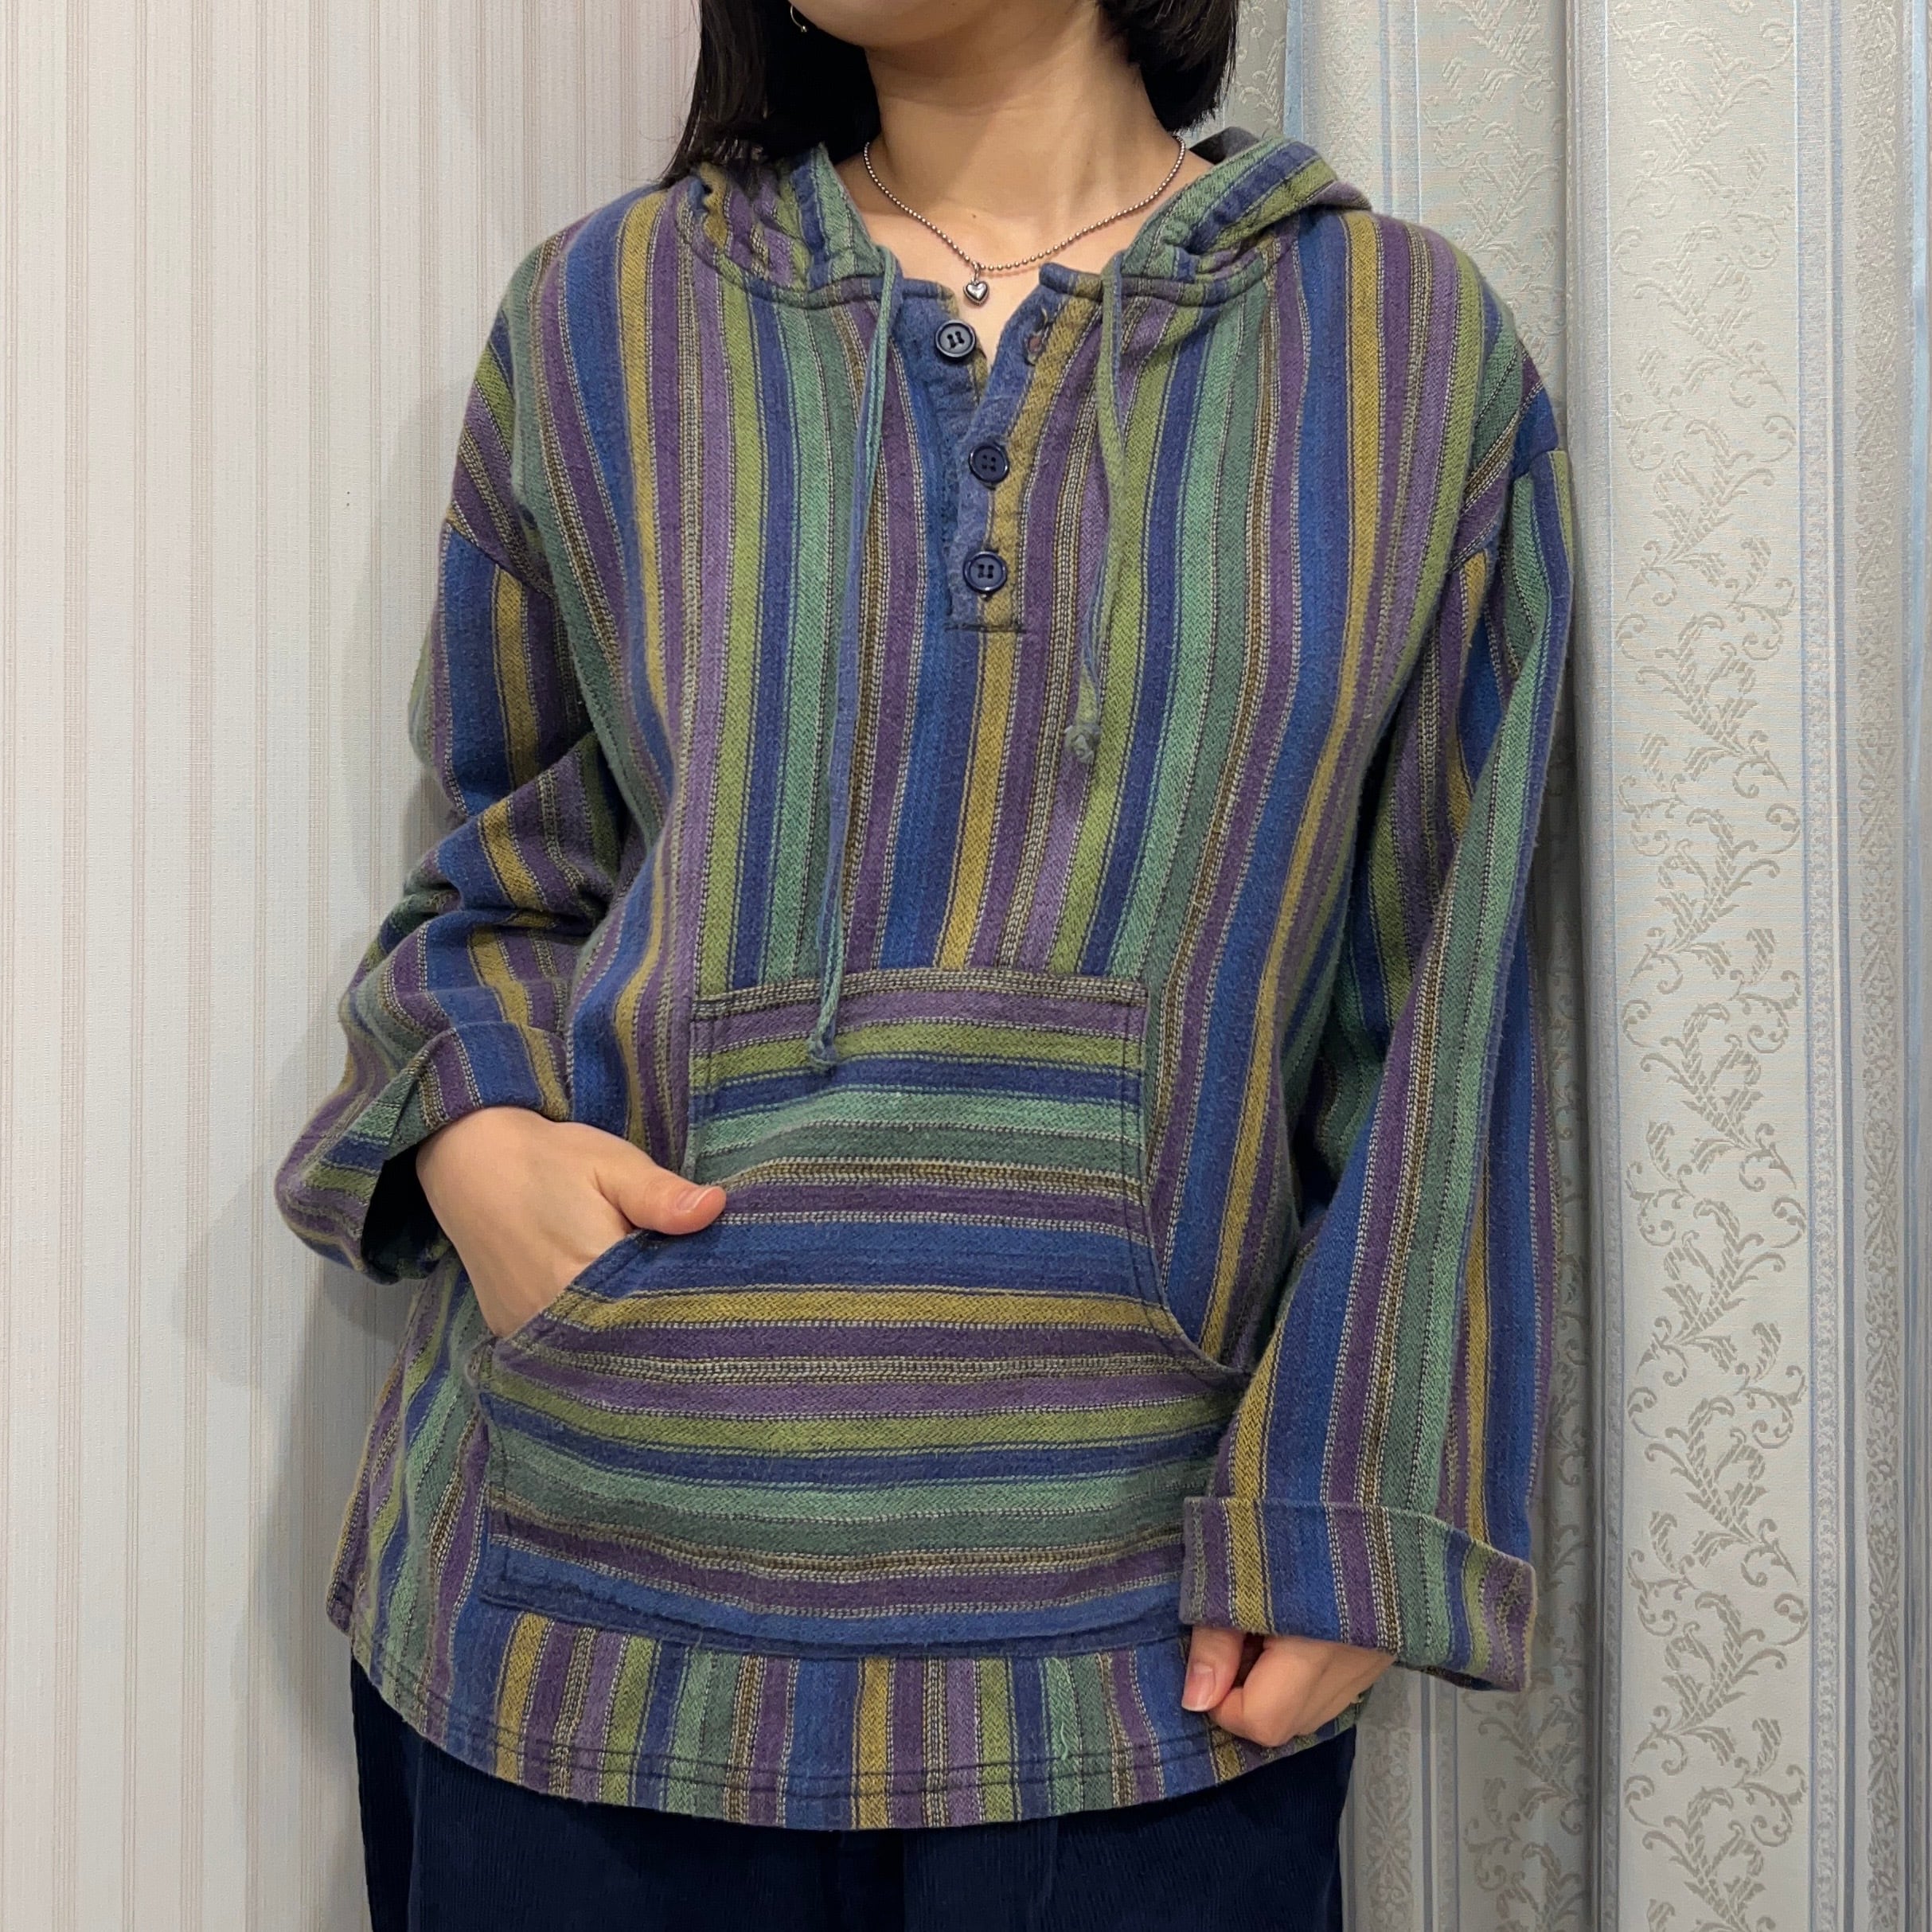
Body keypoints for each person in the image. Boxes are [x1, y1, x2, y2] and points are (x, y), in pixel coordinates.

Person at [274, 0, 1575, 1924]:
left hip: (1135, 1663)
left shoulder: (1401, 350)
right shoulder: (604, 319)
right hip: (577, 1613)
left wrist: (1365, 1502)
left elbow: (1444, 998)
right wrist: (471, 1137)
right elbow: (499, 869)